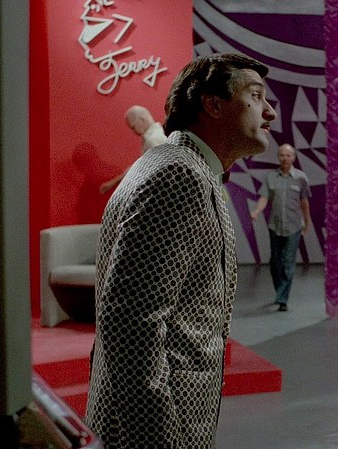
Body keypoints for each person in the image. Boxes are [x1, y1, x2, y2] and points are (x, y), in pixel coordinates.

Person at [85, 52, 277, 449]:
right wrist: (159, 441)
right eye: (256, 96)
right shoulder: (179, 176)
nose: (270, 112)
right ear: (213, 104)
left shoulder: (183, 167)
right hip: (156, 430)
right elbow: (131, 325)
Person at [249, 143, 312, 311]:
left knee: (288, 262)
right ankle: (280, 290)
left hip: (294, 226)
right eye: (282, 155)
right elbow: (264, 197)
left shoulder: (301, 178)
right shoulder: (271, 177)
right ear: (278, 157)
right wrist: (257, 210)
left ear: (293, 157)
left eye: (288, 155)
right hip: (275, 225)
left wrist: (307, 221)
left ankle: (282, 299)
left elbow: (304, 202)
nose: (285, 158)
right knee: (275, 262)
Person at [99, 104, 168, 194]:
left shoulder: (152, 140)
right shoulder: (159, 134)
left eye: (133, 127)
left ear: (142, 119)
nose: (134, 131)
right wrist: (113, 182)